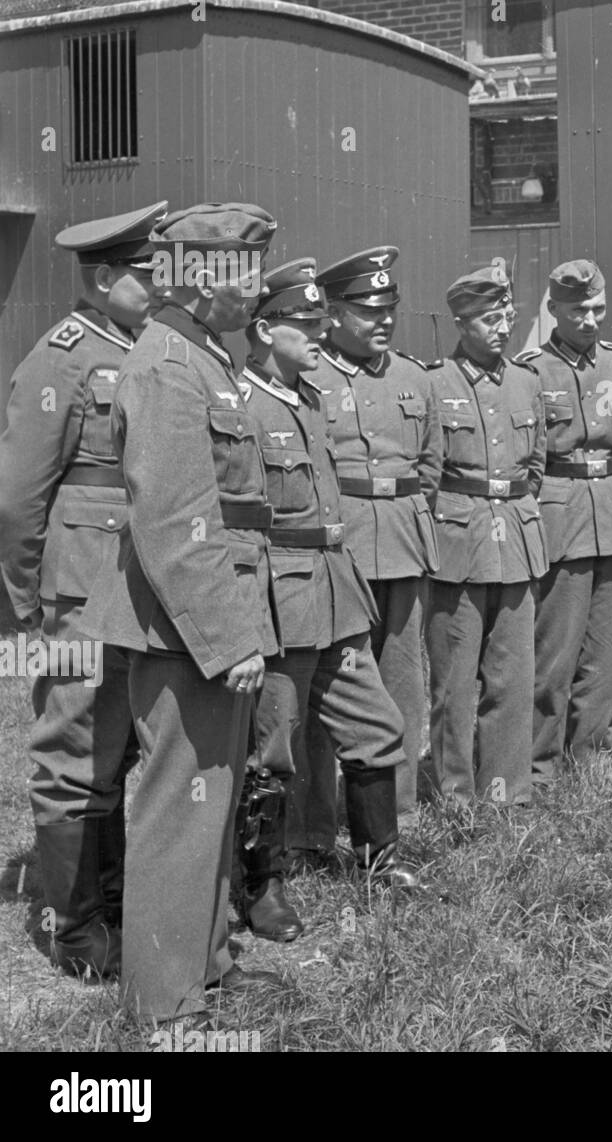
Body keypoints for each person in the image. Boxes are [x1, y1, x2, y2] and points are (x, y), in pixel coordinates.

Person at [80, 202, 281, 1022]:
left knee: (215, 801)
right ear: (203, 280)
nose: (261, 287)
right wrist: (229, 637)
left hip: (206, 615)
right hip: (184, 627)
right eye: (250, 271)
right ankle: (163, 1009)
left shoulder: (204, 356)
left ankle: (206, 967)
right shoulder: (169, 365)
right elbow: (172, 520)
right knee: (179, 809)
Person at [234, 258, 426, 942]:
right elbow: (240, 528)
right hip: (280, 601)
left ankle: (381, 862)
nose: (319, 332)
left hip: (335, 591)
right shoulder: (242, 406)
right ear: (263, 331)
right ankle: (263, 886)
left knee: (376, 726)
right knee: (273, 748)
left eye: (322, 321)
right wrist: (250, 622)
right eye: (304, 323)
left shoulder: (309, 399)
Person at [0, 201, 166, 976]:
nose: (160, 281)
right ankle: (71, 926)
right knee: (73, 746)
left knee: (118, 746)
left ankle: (111, 900)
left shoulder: (146, 348)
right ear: (103, 280)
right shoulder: (63, 357)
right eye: (146, 271)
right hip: (78, 588)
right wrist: (25, 603)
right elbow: (17, 494)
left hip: (136, 583)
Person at [302, 247, 441, 854]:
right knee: (327, 682)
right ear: (332, 315)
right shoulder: (307, 377)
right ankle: (310, 823)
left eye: (389, 308)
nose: (382, 320)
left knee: (403, 681)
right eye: (367, 310)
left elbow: (430, 469)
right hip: (340, 548)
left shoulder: (414, 377)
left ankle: (396, 812)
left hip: (404, 541)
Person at [516, 260, 612, 789]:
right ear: (554, 310)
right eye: (579, 310)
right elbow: (527, 461)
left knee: (608, 657)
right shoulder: (531, 371)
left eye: (598, 308)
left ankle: (592, 761)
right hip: (560, 518)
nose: (591, 320)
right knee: (554, 653)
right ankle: (539, 766)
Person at [426, 265, 547, 807]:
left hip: (518, 543)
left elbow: (536, 465)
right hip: (459, 544)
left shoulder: (526, 381)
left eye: (506, 317)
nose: (500, 328)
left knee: (513, 680)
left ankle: (507, 794)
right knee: (453, 686)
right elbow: (427, 472)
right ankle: (454, 797)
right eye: (488, 319)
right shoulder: (434, 384)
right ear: (460, 323)